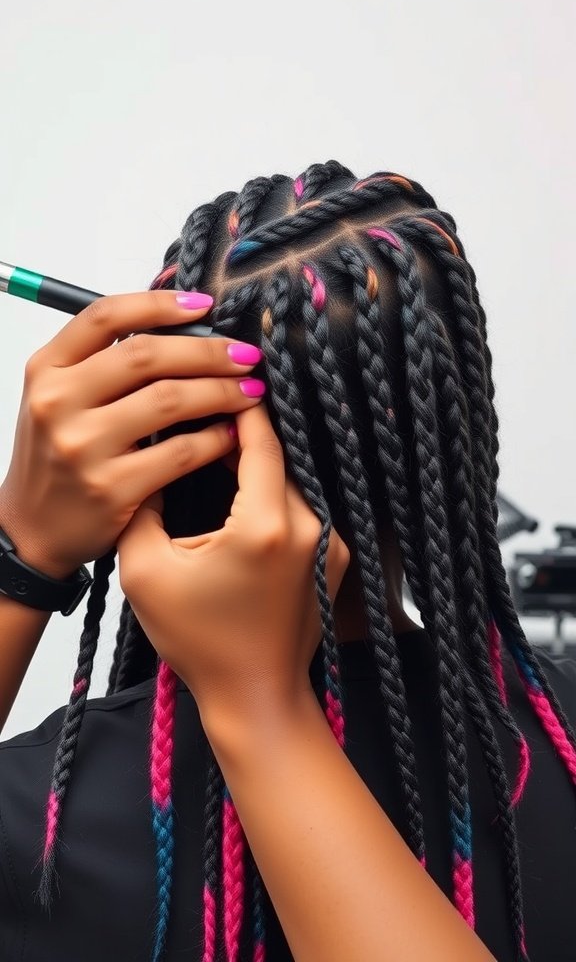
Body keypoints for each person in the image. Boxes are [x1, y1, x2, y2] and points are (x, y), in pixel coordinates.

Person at [0, 162, 574, 962]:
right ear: (455, 435)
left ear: (164, 444)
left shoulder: (38, 822)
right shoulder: (559, 744)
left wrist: (19, 560)